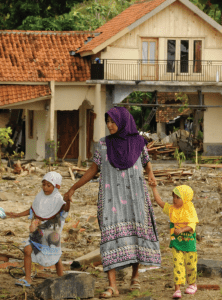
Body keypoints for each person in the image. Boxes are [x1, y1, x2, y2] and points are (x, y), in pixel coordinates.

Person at [64, 107, 160, 298]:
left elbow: (147, 163)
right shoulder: (103, 144)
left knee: (134, 235)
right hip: (110, 199)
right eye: (107, 121)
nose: (109, 125)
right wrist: (73, 187)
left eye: (113, 122)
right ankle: (112, 285)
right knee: (110, 238)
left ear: (123, 122)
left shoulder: (138, 143)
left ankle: (135, 277)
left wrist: (151, 174)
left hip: (135, 197)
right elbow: (93, 169)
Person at [21, 171, 70, 286]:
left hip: (51, 234)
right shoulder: (40, 197)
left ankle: (61, 279)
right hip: (38, 232)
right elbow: (34, 211)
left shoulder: (58, 200)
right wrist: (33, 223)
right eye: (44, 185)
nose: (45, 188)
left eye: (49, 185)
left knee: (55, 256)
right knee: (27, 250)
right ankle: (28, 277)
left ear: (56, 186)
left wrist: (68, 201)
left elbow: (65, 210)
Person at [150, 185, 199, 299]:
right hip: (177, 244)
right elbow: (160, 202)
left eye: (178, 197)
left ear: (185, 198)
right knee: (178, 265)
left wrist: (181, 230)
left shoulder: (190, 210)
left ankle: (192, 284)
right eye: (173, 197)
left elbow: (192, 225)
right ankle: (177, 289)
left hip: (189, 243)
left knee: (190, 265)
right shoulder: (172, 209)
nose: (174, 199)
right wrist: (154, 188)